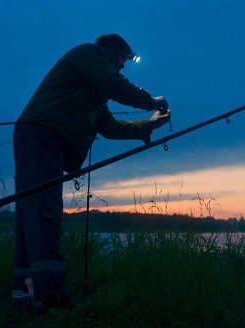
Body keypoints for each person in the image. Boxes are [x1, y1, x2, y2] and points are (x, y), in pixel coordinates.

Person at [12, 34, 170, 308]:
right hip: (39, 136)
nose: (123, 66)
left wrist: (150, 124)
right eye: (123, 58)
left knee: (34, 209)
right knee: (42, 210)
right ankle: (47, 293)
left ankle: (27, 289)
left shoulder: (95, 94)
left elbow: (111, 128)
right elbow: (116, 85)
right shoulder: (88, 54)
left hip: (42, 139)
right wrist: (152, 101)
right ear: (109, 50)